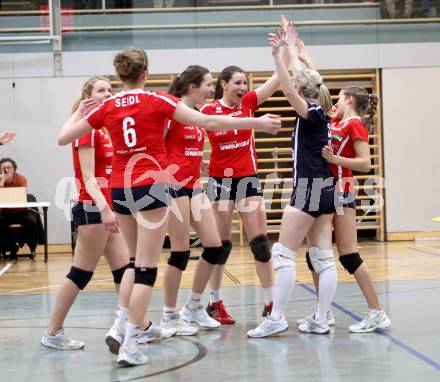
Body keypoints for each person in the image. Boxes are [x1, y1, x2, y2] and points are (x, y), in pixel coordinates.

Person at [57, 46, 280, 366]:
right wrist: (257, 124)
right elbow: (209, 121)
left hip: (120, 188)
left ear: (120, 75)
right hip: (151, 186)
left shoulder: (107, 107)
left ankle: (122, 327)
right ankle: (131, 343)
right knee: (146, 268)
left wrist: (82, 111)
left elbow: (63, 138)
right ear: (145, 73)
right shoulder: (157, 100)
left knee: (134, 264)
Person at [293, 39, 391, 333]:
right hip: (325, 189)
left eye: (338, 98)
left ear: (349, 101)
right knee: (315, 252)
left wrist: (335, 157)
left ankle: (377, 312)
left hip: (342, 191)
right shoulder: (335, 122)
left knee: (348, 254)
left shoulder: (354, 124)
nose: (333, 101)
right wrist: (304, 57)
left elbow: (366, 163)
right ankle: (324, 312)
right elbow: (316, 84)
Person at [247, 23, 337, 338]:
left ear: (302, 91)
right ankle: (322, 319)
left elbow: (289, 88)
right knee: (322, 256)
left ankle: (277, 318)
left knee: (284, 254)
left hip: (309, 187)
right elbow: (308, 76)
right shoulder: (324, 107)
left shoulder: (310, 111)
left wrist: (277, 57)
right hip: (326, 187)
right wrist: (297, 50)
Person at [41, 76, 134, 351]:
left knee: (124, 271)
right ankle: (53, 332)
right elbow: (88, 177)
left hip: (107, 209)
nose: (108, 93)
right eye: (100, 90)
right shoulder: (89, 130)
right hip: (94, 208)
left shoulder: (103, 129)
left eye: (109, 89)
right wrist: (105, 209)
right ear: (89, 97)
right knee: (80, 273)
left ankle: (132, 327)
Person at [201, 36, 290, 324]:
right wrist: (196, 164)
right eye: (238, 82)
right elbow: (185, 136)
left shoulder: (249, 103)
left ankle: (270, 302)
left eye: (245, 83)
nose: (243, 87)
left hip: (248, 178)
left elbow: (279, 78)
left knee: (261, 243)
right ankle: (214, 302)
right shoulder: (208, 110)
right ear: (224, 84)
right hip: (220, 181)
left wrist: (282, 50)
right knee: (221, 245)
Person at [161, 65, 225, 334]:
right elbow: (157, 148)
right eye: (209, 84)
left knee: (214, 246)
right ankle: (169, 315)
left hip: (193, 185)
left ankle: (194, 307)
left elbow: (184, 148)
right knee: (180, 252)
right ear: (192, 87)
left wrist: (198, 164)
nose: (213, 89)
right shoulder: (172, 112)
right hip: (173, 186)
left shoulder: (197, 114)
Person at [0, 157, 39, 258]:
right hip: (5, 213)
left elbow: (22, 195)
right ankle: (9, 247)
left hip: (21, 212)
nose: (6, 170)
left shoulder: (21, 179)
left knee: (32, 222)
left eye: (9, 168)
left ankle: (31, 246)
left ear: (14, 169)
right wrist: (2, 182)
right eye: (3, 168)